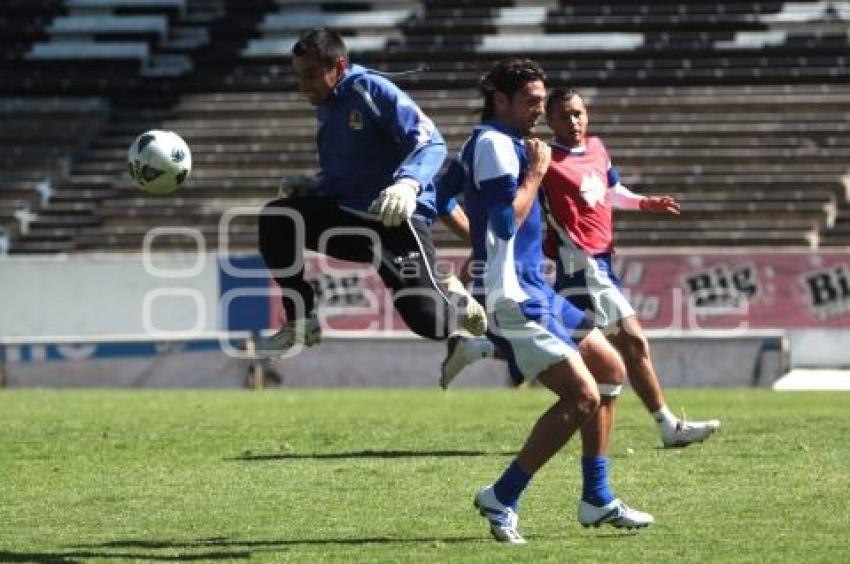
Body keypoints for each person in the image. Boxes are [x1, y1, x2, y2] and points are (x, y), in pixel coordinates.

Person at [440, 87, 720, 448]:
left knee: (569, 342)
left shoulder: (597, 149)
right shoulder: (544, 161)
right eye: (564, 115)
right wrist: (480, 255)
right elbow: (513, 216)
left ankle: (480, 348)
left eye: (579, 113)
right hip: (582, 266)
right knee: (633, 342)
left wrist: (645, 203)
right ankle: (667, 425)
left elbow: (610, 191)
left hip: (602, 261)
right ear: (551, 122)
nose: (574, 121)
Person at [459, 58, 652, 544]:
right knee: (582, 395)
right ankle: (502, 495)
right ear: (500, 101)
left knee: (610, 371)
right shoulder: (495, 147)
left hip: (534, 286)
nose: (540, 111)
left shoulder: (497, 143)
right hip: (513, 295)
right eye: (531, 102)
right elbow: (506, 220)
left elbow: (443, 194)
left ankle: (597, 499)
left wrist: (474, 246)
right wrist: (537, 173)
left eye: (542, 102)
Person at [255, 28, 485, 355]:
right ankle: (301, 317)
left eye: (310, 75)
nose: (303, 85)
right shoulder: (327, 102)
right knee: (279, 218)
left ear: (340, 65)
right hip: (350, 218)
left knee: (431, 323)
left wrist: (408, 185)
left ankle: (453, 296)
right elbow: (354, 167)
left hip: (395, 224)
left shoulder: (370, 89)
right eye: (298, 76)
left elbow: (431, 142)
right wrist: (315, 185)